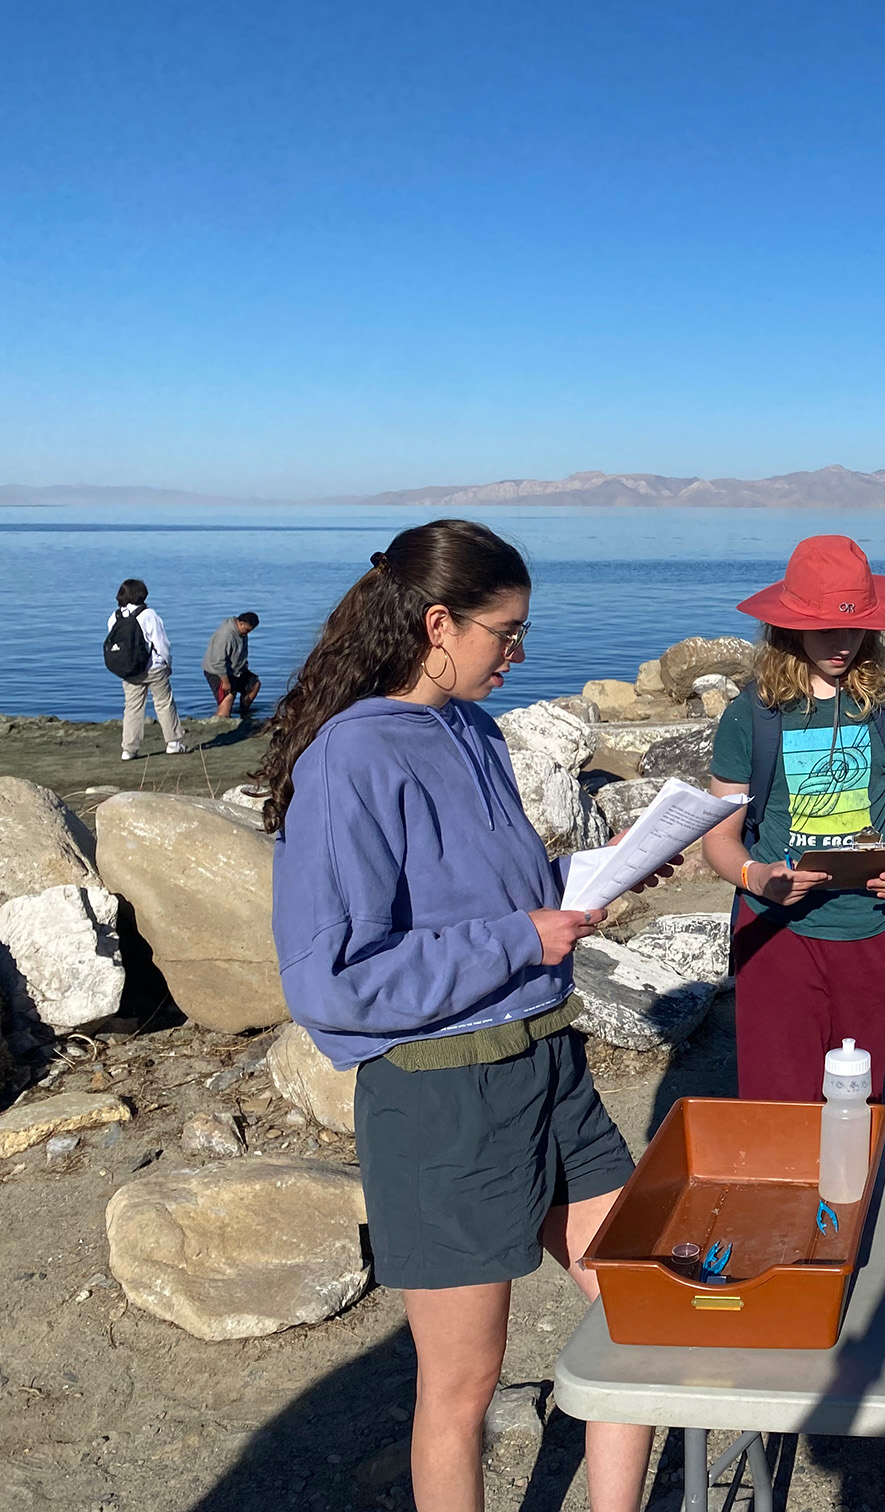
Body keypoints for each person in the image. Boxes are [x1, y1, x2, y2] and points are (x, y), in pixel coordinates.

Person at [262, 520, 670, 1512]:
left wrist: (582, 890)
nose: (520, 654)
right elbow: (330, 979)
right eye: (507, 632)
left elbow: (482, 899)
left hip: (549, 1071)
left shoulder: (472, 729)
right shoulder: (350, 761)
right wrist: (521, 940)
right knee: (461, 1389)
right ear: (437, 624)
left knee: (646, 1314)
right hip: (445, 1102)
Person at [701, 536, 885, 1101]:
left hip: (876, 928)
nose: (843, 643)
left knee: (860, 1098)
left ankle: (844, 1194)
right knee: (777, 1102)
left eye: (856, 627)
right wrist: (754, 877)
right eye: (825, 626)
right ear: (789, 626)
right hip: (777, 934)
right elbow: (719, 838)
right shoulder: (751, 714)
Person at [104, 579, 186, 760]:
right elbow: (161, 643)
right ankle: (173, 742)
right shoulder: (149, 614)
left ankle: (129, 749)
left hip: (129, 669)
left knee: (132, 708)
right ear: (142, 594)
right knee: (164, 703)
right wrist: (167, 663)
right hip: (154, 667)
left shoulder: (115, 616)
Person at [202, 610, 262, 719]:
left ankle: (244, 712)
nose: (248, 633)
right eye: (247, 630)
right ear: (241, 623)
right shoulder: (225, 635)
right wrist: (225, 682)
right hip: (217, 671)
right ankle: (220, 721)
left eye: (251, 631)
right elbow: (217, 662)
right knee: (228, 699)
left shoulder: (242, 633)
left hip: (237, 671)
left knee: (254, 684)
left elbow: (241, 652)